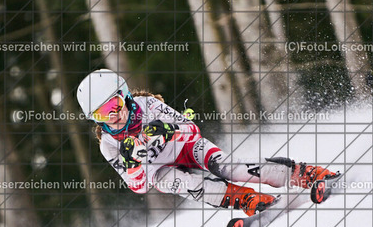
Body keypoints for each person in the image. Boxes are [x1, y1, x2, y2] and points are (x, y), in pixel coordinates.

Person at [76, 69, 338, 217]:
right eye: (101, 114)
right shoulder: (109, 144)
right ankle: (248, 199)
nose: (112, 116)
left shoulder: (148, 105)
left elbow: (190, 129)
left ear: (124, 96)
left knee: (230, 168)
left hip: (186, 148)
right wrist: (133, 163)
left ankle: (303, 174)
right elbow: (139, 186)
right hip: (160, 171)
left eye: (113, 105)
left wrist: (166, 130)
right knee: (191, 185)